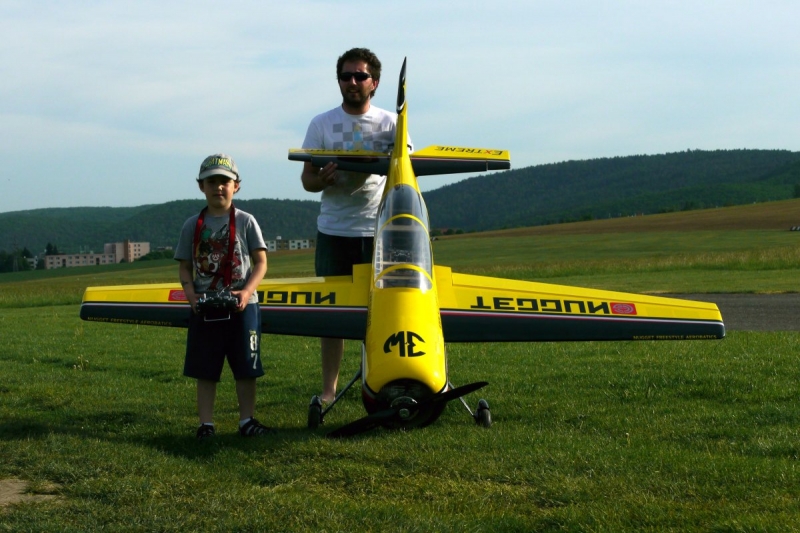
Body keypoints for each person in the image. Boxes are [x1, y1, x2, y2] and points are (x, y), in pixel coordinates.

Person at [300, 47, 412, 404]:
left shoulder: (390, 124)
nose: (352, 82)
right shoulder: (321, 124)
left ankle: (376, 381)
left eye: (360, 76)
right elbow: (307, 181)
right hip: (334, 231)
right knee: (332, 314)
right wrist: (325, 180)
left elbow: (405, 170)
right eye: (346, 76)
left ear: (374, 83)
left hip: (378, 233)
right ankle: (329, 391)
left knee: (381, 311)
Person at [175, 153, 271, 439]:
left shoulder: (246, 221)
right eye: (212, 181)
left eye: (225, 182)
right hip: (205, 308)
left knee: (246, 367)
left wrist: (247, 291)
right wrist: (191, 296)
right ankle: (206, 424)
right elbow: (184, 266)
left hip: (243, 307)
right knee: (205, 369)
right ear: (200, 186)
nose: (219, 187)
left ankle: (247, 421)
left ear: (236, 186)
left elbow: (261, 262)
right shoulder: (192, 225)